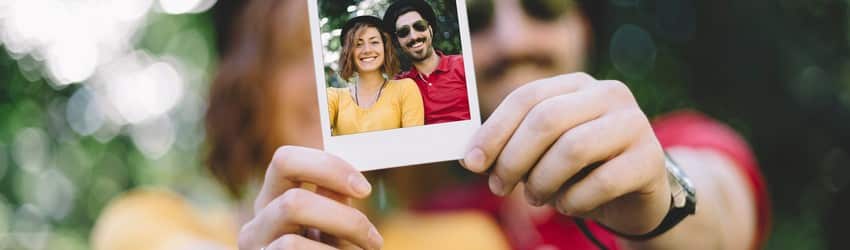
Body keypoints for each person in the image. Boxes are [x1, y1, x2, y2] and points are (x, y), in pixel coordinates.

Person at [91, 0, 770, 250]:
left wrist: (660, 195)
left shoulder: (674, 141)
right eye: (474, 21)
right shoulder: (453, 215)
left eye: (543, 8)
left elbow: (721, 210)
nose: (510, 40)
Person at [327, 16, 424, 136]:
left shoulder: (405, 88)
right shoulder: (333, 97)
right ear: (349, 52)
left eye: (374, 42)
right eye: (358, 44)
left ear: (385, 48)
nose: (367, 50)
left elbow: (414, 143)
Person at [383, 0, 470, 125]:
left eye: (419, 26)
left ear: (430, 29)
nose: (413, 36)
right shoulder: (398, 86)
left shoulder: (463, 65)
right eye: (403, 32)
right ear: (397, 42)